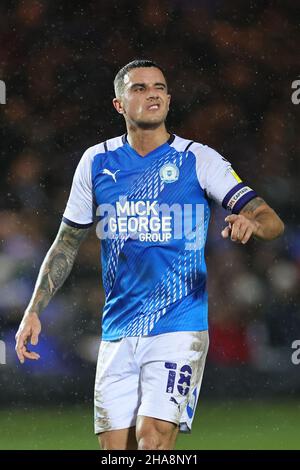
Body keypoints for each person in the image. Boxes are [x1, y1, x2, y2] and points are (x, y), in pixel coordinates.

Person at [15, 59, 284, 450]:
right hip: (119, 329)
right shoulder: (97, 162)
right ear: (119, 105)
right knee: (115, 451)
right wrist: (34, 308)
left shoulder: (198, 159)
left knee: (152, 439)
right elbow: (67, 241)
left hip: (179, 325)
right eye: (138, 88)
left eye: (158, 86)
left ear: (169, 99)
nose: (152, 93)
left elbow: (269, 217)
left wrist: (252, 224)